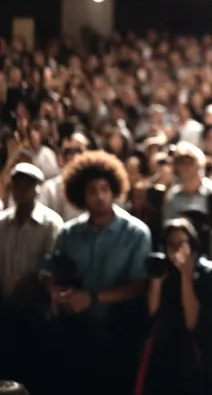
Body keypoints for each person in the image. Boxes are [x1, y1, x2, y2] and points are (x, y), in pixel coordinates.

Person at [49, 151, 152, 395]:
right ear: (80, 195)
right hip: (77, 334)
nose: (99, 196)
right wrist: (58, 292)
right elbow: (56, 273)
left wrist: (92, 298)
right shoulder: (68, 234)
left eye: (105, 189)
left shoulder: (136, 233)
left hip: (120, 333)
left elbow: (139, 286)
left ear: (115, 190)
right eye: (92, 190)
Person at [138, 218, 212, 395]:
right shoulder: (162, 269)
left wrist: (186, 274)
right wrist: (156, 282)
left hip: (196, 352)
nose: (176, 249)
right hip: (165, 350)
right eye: (171, 244)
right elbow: (152, 313)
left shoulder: (209, 274)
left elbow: (192, 322)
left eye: (181, 243)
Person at [0, 163, 62, 394]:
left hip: (36, 313)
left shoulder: (50, 224)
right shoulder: (2, 223)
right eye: (16, 184)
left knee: (35, 373)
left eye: (27, 184)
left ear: (37, 189)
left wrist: (30, 286)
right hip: (5, 311)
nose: (21, 189)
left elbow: (50, 268)